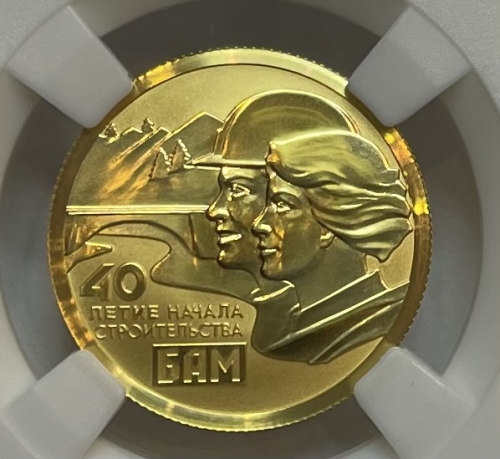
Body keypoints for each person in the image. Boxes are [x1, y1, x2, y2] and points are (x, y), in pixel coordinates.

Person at [252, 130, 413, 363]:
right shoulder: (287, 328)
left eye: (282, 205)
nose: (260, 224)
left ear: (328, 225)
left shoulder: (373, 323)